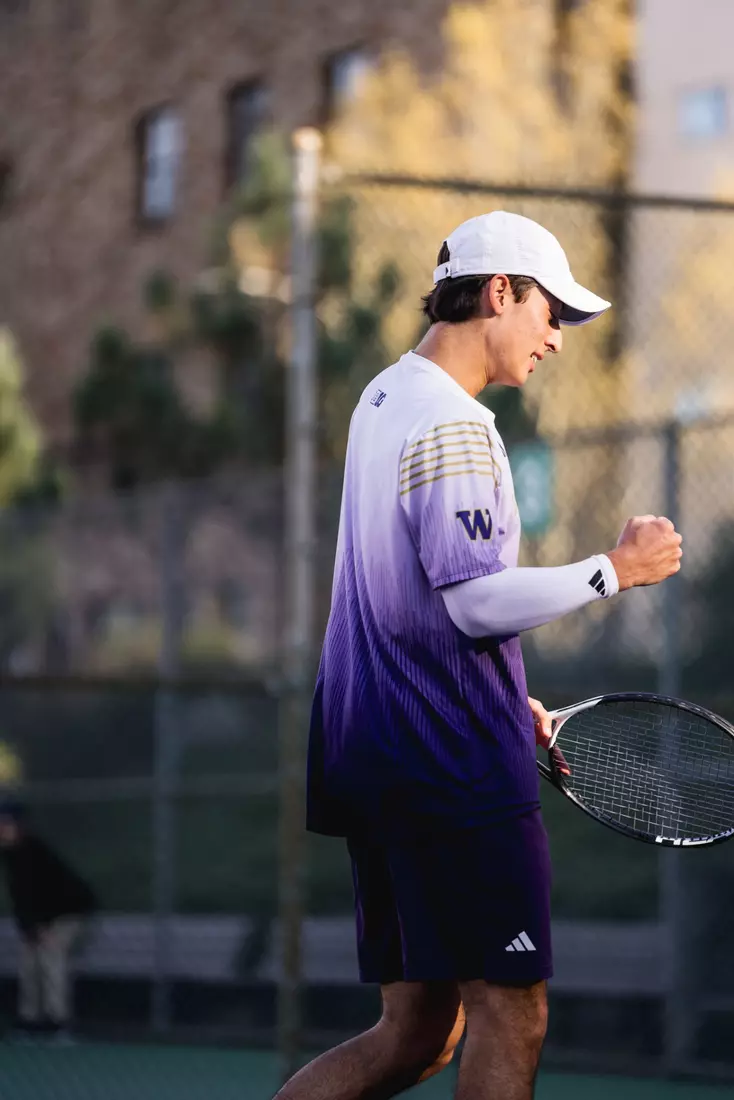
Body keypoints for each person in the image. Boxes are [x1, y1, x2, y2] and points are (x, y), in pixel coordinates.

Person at [275, 212, 682, 1100]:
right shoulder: (457, 425)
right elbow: (471, 602)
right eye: (551, 314)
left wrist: (506, 701)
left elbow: (419, 600)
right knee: (512, 1009)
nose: (557, 341)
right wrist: (614, 570)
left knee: (416, 1029)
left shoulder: (383, 396)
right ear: (500, 292)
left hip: (371, 750)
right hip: (445, 763)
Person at [0, 798, 96, 1041]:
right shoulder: (10, 853)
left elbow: (46, 892)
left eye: (7, 823)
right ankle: (29, 1021)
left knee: (52, 957)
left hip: (69, 912)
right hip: (42, 917)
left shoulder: (34, 850)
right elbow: (21, 897)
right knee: (29, 962)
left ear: (19, 825)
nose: (3, 828)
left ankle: (59, 1023)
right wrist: (30, 929)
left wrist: (42, 926)